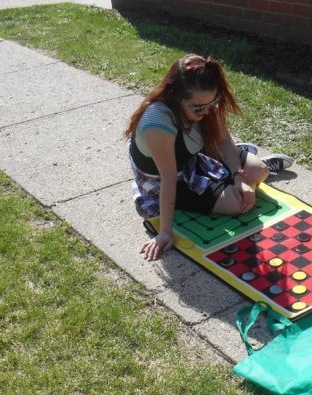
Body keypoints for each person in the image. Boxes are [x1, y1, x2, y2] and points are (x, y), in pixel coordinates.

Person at [124, 54, 294, 261]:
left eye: (211, 103)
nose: (206, 112)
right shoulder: (158, 122)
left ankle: (228, 169)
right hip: (168, 178)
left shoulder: (204, 104)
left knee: (260, 171)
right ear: (176, 95)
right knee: (236, 204)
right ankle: (222, 174)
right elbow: (168, 178)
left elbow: (222, 140)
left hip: (194, 154)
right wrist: (165, 232)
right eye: (198, 108)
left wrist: (239, 179)